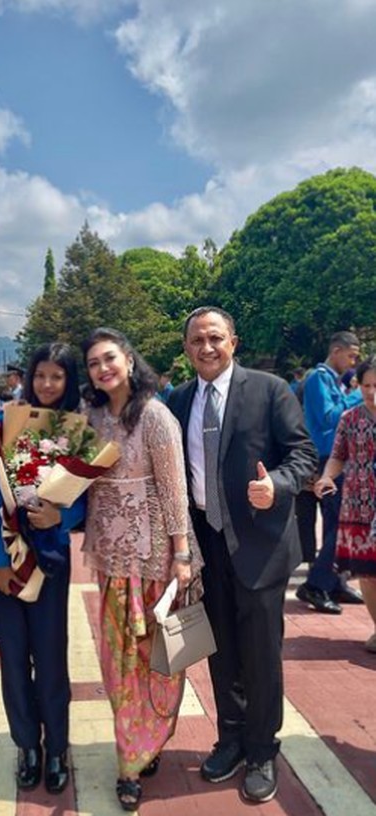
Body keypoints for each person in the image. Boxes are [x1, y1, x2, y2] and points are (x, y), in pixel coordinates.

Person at [168, 307, 317, 804]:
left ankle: (260, 750)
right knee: (222, 649)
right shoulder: (180, 399)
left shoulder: (269, 390)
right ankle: (230, 738)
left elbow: (303, 454)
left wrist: (275, 485)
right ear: (186, 346)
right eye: (196, 340)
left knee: (259, 655)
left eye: (215, 338)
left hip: (259, 544)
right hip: (208, 544)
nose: (206, 348)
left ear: (234, 341)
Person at [81, 327, 200, 812]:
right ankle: (136, 746)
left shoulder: (155, 417)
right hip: (110, 559)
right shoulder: (88, 419)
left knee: (162, 661)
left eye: (109, 358)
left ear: (129, 360)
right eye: (93, 363)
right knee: (117, 663)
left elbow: (175, 492)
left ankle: (134, 758)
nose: (103, 368)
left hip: (158, 561)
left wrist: (182, 556)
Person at [0, 342, 84, 795]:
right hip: (7, 561)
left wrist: (64, 517)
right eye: (40, 375)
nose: (46, 384)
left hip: (50, 563)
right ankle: (28, 746)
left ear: (68, 381)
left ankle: (57, 746)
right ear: (29, 377)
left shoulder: (77, 430)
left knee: (50, 658)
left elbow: (87, 499)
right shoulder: (6, 423)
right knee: (13, 659)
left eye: (56, 377)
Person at [298, 331, 364, 614]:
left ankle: (335, 581)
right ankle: (315, 584)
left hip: (337, 457)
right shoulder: (318, 378)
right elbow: (328, 416)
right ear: (336, 350)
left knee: (334, 522)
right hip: (328, 458)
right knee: (339, 523)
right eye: (351, 355)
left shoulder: (334, 381)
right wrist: (361, 393)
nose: (353, 362)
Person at [314, 357, 376, 652]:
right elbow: (338, 455)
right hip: (359, 507)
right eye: (367, 386)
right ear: (358, 385)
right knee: (368, 574)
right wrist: (327, 477)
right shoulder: (350, 419)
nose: (373, 393)